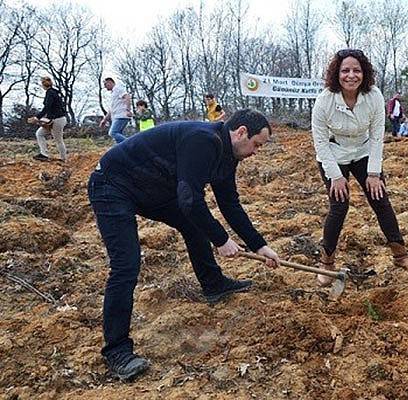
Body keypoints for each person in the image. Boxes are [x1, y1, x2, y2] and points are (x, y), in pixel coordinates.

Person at [88, 109, 281, 381]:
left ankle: (214, 285)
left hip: (152, 187)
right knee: (126, 265)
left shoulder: (228, 156)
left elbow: (230, 204)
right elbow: (189, 199)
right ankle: (117, 350)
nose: (256, 152)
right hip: (112, 184)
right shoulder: (203, 140)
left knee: (194, 224)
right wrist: (221, 240)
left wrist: (259, 245)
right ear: (241, 133)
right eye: (256, 145)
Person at [311, 48, 408, 286]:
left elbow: (376, 136)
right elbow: (320, 142)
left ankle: (400, 254)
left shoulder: (373, 96)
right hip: (334, 154)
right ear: (336, 74)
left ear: (364, 73)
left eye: (356, 70)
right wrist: (335, 177)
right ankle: (327, 262)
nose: (351, 75)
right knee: (339, 205)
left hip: (363, 151)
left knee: (380, 199)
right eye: (345, 70)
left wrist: (373, 173)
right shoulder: (324, 101)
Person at [28, 76, 68, 162]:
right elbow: (51, 108)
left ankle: (64, 159)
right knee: (39, 133)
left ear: (43, 85)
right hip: (55, 119)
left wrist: (37, 117)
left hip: (57, 120)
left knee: (58, 140)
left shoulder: (50, 93)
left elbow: (47, 107)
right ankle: (44, 154)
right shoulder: (54, 92)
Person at [100, 78, 132, 144]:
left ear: (110, 82)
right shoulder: (113, 93)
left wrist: (128, 110)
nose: (105, 87)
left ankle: (131, 144)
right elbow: (111, 110)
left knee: (113, 133)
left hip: (121, 115)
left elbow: (127, 97)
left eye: (105, 84)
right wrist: (104, 120)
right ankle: (123, 150)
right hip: (116, 116)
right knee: (118, 137)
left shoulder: (118, 88)